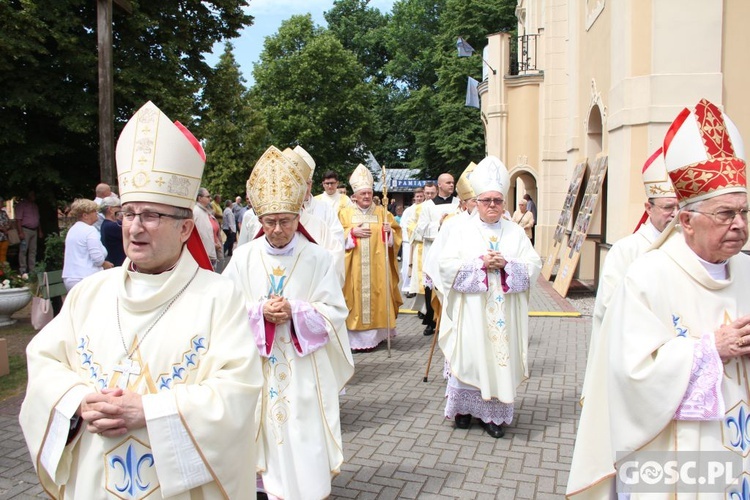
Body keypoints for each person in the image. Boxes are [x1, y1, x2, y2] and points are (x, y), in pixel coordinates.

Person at [19, 101, 263, 498]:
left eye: (151, 215)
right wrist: (78, 402)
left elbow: (237, 391)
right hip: (94, 477)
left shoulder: (219, 297)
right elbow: (45, 362)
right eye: (128, 213)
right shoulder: (90, 292)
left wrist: (148, 411)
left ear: (185, 228)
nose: (134, 227)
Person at [567, 98, 750, 498]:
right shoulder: (648, 276)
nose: (739, 224)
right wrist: (709, 349)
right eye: (725, 214)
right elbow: (630, 373)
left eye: (744, 212)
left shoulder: (748, 272)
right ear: (686, 220)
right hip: (668, 454)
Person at [223, 145, 354, 499]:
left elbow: (334, 310)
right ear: (259, 220)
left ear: (299, 217)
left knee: (301, 428)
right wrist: (258, 312)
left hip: (304, 366)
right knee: (260, 425)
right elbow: (224, 307)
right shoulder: (244, 257)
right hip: (257, 365)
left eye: (286, 220)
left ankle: (306, 489)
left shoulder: (317, 258)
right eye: (270, 222)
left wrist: (295, 311)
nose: (278, 229)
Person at [437, 156, 541, 439]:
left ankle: (492, 415)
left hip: (503, 315)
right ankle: (463, 410)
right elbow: (444, 266)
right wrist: (480, 264)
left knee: (496, 360)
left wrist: (507, 264)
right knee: (471, 355)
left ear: (504, 202)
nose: (492, 205)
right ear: (477, 202)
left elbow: (533, 265)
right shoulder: (460, 229)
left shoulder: (516, 232)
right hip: (471, 311)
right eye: (486, 200)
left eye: (497, 200)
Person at [579, 148, 677, 404]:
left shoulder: (684, 248)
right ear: (649, 207)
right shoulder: (626, 249)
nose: (675, 215)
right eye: (668, 207)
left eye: (680, 207)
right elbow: (608, 306)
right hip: (637, 353)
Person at [339, 164, 402, 350]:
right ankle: (355, 340)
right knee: (354, 297)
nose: (366, 196)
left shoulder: (382, 212)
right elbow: (335, 236)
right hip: (354, 268)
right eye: (362, 194)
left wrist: (389, 232)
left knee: (378, 295)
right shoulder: (345, 213)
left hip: (378, 268)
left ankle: (378, 336)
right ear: (355, 195)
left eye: (368, 193)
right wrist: (351, 232)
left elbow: (396, 236)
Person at [415, 174, 458, 336]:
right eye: (448, 182)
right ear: (439, 185)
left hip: (453, 251)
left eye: (452, 182)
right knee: (431, 287)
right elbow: (421, 229)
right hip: (434, 250)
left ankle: (451, 319)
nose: (451, 185)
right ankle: (432, 321)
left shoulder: (458, 203)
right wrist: (439, 224)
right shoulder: (428, 206)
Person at [62, 199, 112, 290]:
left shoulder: (72, 230)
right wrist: (105, 264)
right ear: (85, 215)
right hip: (86, 278)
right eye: (93, 211)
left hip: (70, 277)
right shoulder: (90, 230)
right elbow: (97, 258)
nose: (96, 213)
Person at [193, 187, 221, 270]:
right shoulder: (196, 212)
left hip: (211, 252)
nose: (210, 198)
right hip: (204, 255)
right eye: (208, 196)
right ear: (200, 198)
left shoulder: (205, 211)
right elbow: (199, 235)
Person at [15, 190, 42, 275]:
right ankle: (23, 269)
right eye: (32, 194)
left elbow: (38, 219)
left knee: (33, 251)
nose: (34, 196)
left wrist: (40, 230)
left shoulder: (35, 206)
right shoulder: (21, 205)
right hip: (25, 230)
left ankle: (32, 270)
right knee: (23, 250)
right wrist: (20, 232)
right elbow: (18, 220)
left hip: (34, 230)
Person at [99, 194, 126, 267]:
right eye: (118, 207)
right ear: (110, 209)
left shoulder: (106, 224)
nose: (121, 210)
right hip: (118, 264)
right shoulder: (112, 226)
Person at [0, 196, 11, 264]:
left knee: (3, 254)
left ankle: (3, 271)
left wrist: (7, 228)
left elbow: (9, 222)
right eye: (1, 202)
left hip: (5, 237)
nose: (2, 204)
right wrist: (3, 229)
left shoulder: (4, 212)